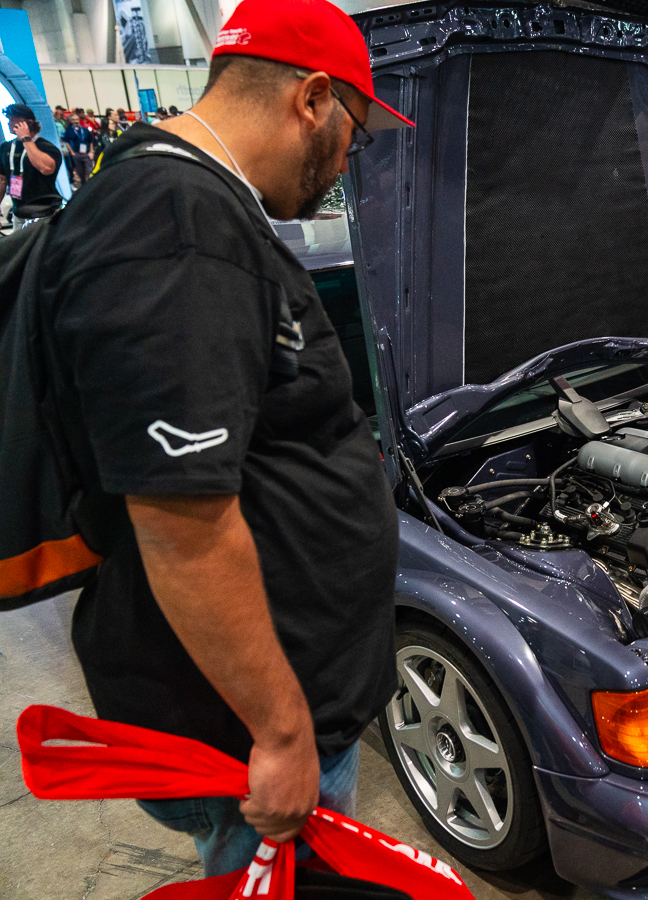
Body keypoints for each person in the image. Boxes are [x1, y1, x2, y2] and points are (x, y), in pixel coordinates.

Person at [37, 0, 413, 875]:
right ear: (311, 99)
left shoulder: (193, 208)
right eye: (356, 132)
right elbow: (183, 522)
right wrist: (281, 734)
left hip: (276, 696)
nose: (347, 161)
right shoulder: (175, 226)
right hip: (246, 728)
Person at [0, 103, 63, 225]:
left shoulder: (46, 147)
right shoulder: (6, 148)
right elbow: (2, 181)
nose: (10, 123)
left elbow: (46, 169)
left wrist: (26, 138)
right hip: (19, 212)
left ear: (29, 123)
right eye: (9, 120)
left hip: (45, 212)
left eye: (15, 120)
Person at [62, 109, 95, 186]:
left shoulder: (85, 130)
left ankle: (91, 185)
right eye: (73, 120)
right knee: (80, 172)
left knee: (89, 170)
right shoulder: (68, 131)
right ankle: (84, 185)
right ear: (70, 121)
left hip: (86, 153)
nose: (75, 121)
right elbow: (66, 141)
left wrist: (91, 152)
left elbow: (91, 141)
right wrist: (72, 152)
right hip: (76, 153)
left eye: (77, 119)